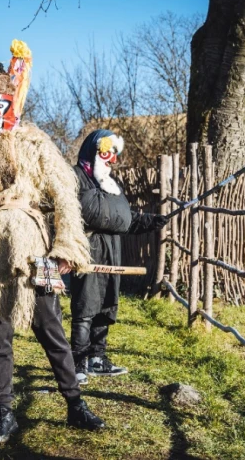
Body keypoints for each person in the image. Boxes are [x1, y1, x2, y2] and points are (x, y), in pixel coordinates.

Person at [0, 41, 105, 443]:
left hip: (35, 251)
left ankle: (75, 405)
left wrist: (67, 247)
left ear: (11, 103)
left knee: (51, 330)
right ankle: (4, 414)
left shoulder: (36, 143)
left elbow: (66, 197)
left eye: (1, 105)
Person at [70, 129, 168, 385]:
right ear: (94, 150)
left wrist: (150, 221)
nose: (110, 159)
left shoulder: (112, 185)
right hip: (87, 249)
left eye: (114, 155)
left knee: (105, 306)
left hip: (113, 251)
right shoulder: (75, 178)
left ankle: (97, 359)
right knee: (86, 307)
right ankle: (77, 363)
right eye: (106, 152)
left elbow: (126, 218)